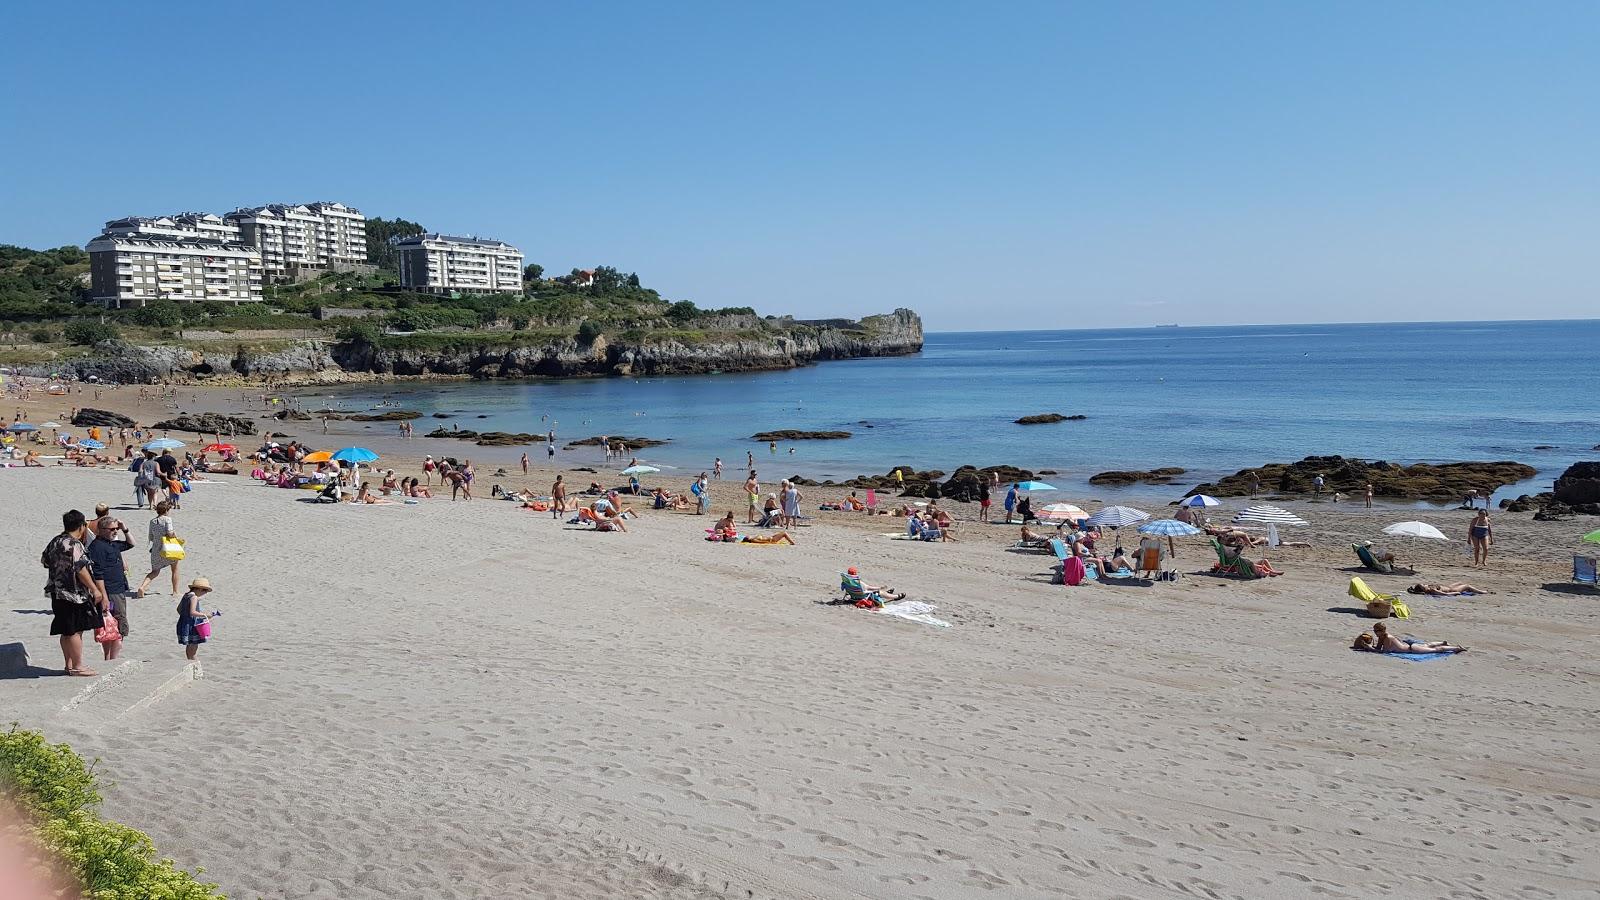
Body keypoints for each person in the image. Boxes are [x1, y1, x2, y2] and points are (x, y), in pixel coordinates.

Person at [43, 509, 110, 677]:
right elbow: (81, 568)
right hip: (74, 593)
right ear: (81, 526)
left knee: (66, 629)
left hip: (56, 591)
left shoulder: (55, 541)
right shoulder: (74, 544)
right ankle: (78, 665)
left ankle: (69, 664)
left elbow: (45, 561)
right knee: (75, 630)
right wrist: (95, 589)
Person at [86, 517, 134, 661]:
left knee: (111, 626)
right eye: (112, 529)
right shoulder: (97, 547)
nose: (115, 531)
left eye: (116, 529)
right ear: (101, 530)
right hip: (110, 592)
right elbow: (98, 574)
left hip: (118, 590)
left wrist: (124, 528)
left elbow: (131, 543)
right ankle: (112, 659)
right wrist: (104, 596)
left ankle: (108, 658)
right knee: (116, 626)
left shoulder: (112, 544)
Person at [137, 501, 180, 597]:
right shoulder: (167, 519)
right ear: (166, 510)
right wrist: (175, 535)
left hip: (156, 549)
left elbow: (151, 537)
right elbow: (169, 532)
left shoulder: (152, 521)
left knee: (155, 571)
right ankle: (175, 591)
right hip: (168, 548)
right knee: (175, 568)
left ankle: (142, 587)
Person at [1353, 622, 1465, 654]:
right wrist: (1369, 646)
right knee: (1427, 645)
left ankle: (1456, 648)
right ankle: (1442, 642)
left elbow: (1384, 651)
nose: (1375, 633)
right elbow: (1378, 647)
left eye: (1376, 631)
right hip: (1410, 646)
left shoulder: (1387, 638)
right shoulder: (1382, 637)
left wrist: (1369, 648)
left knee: (1435, 650)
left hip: (1412, 649)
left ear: (1381, 631)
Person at [176, 577, 215, 661]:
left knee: (189, 647)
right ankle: (196, 667)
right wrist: (206, 615)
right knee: (193, 649)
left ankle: (190, 663)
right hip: (192, 626)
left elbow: (179, 609)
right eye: (205, 590)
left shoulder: (186, 595)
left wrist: (185, 617)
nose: (205, 593)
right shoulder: (194, 597)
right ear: (200, 589)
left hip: (184, 624)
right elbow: (192, 612)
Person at [1408, 582, 1490, 596]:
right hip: (1452, 590)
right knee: (1467, 586)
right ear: (1424, 590)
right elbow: (1445, 594)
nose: (1426, 585)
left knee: (1460, 582)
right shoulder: (1432, 590)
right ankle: (1482, 592)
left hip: (1448, 587)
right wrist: (1455, 593)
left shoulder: (1430, 588)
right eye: (1424, 586)